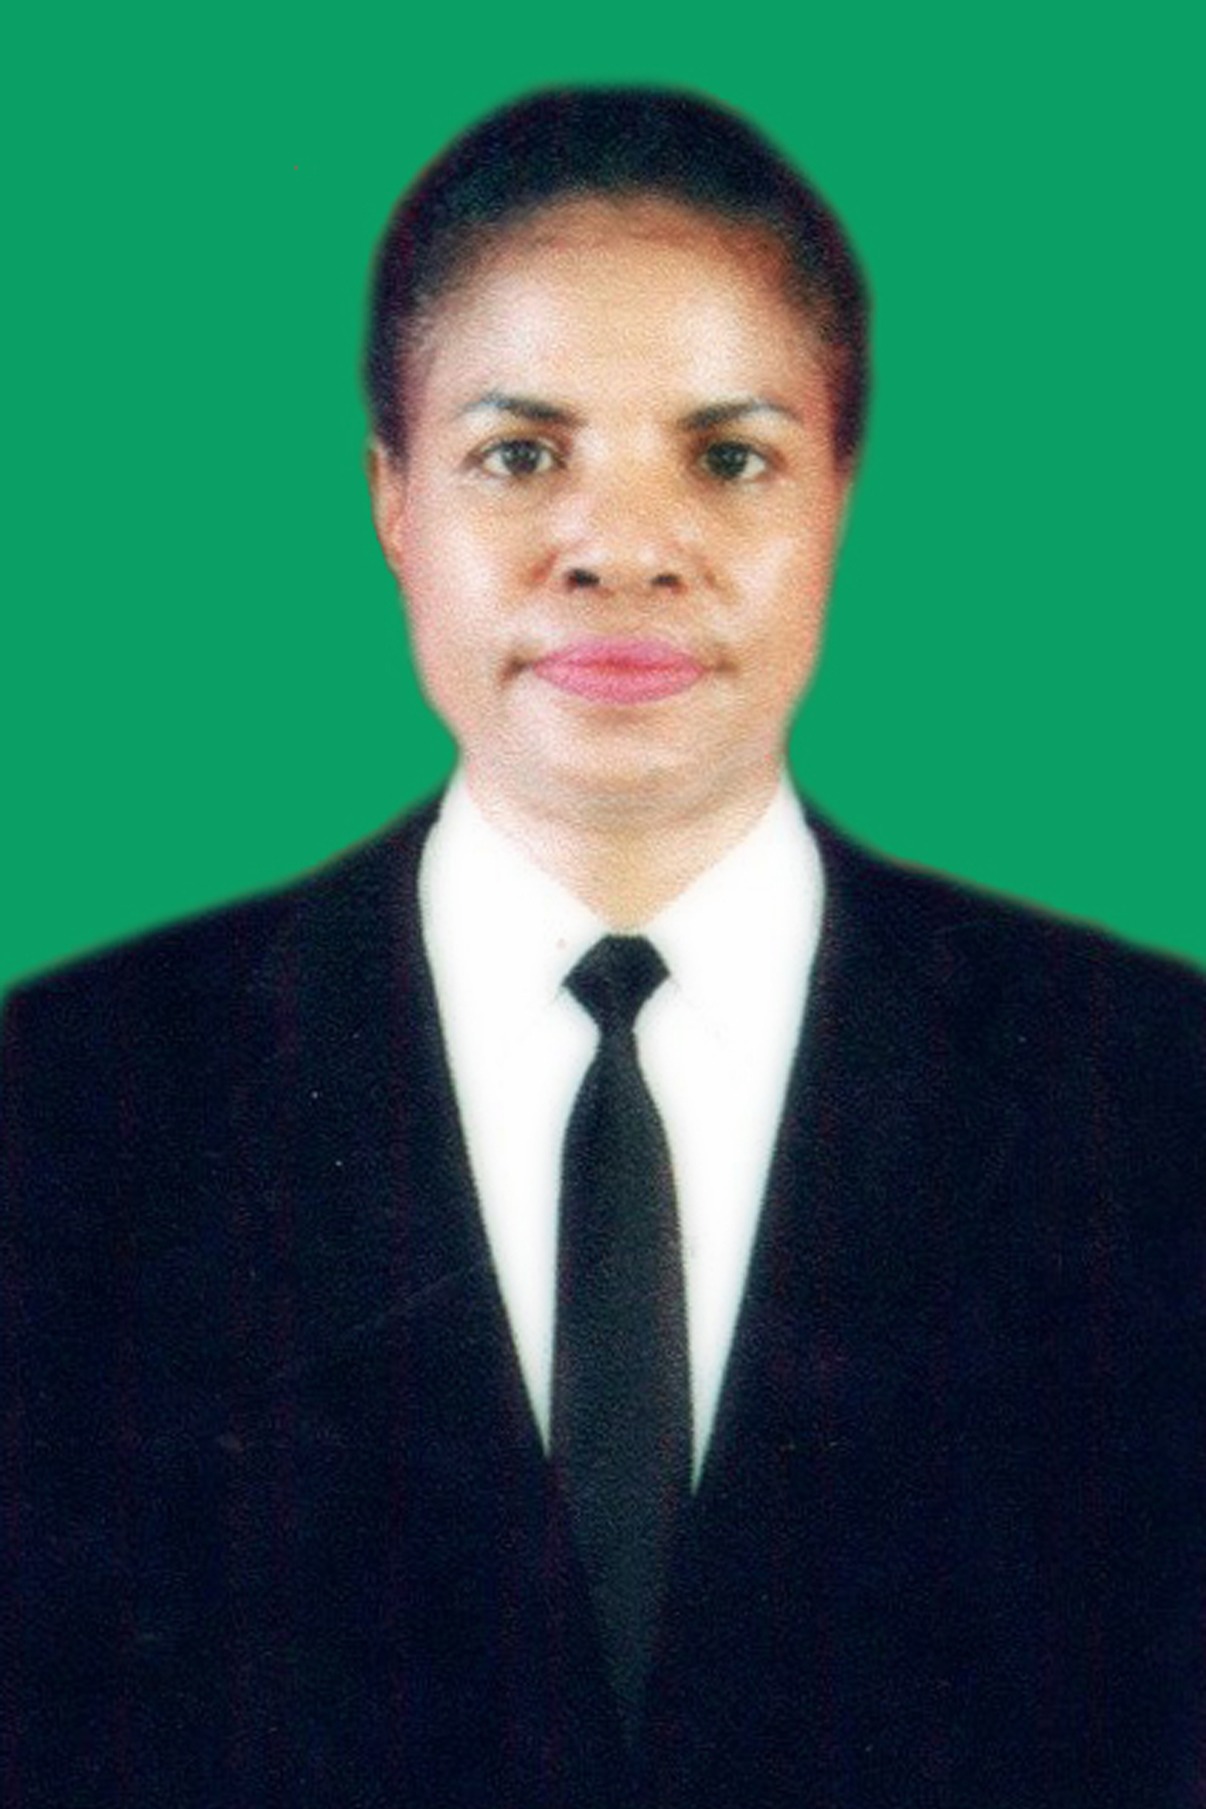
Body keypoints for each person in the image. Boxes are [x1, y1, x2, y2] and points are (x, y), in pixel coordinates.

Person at [2, 86, 1204, 1809]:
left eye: (728, 457)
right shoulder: (66, 1107)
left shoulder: (1147, 1097)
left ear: (838, 494)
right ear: (391, 498)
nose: (624, 551)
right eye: (520, 454)